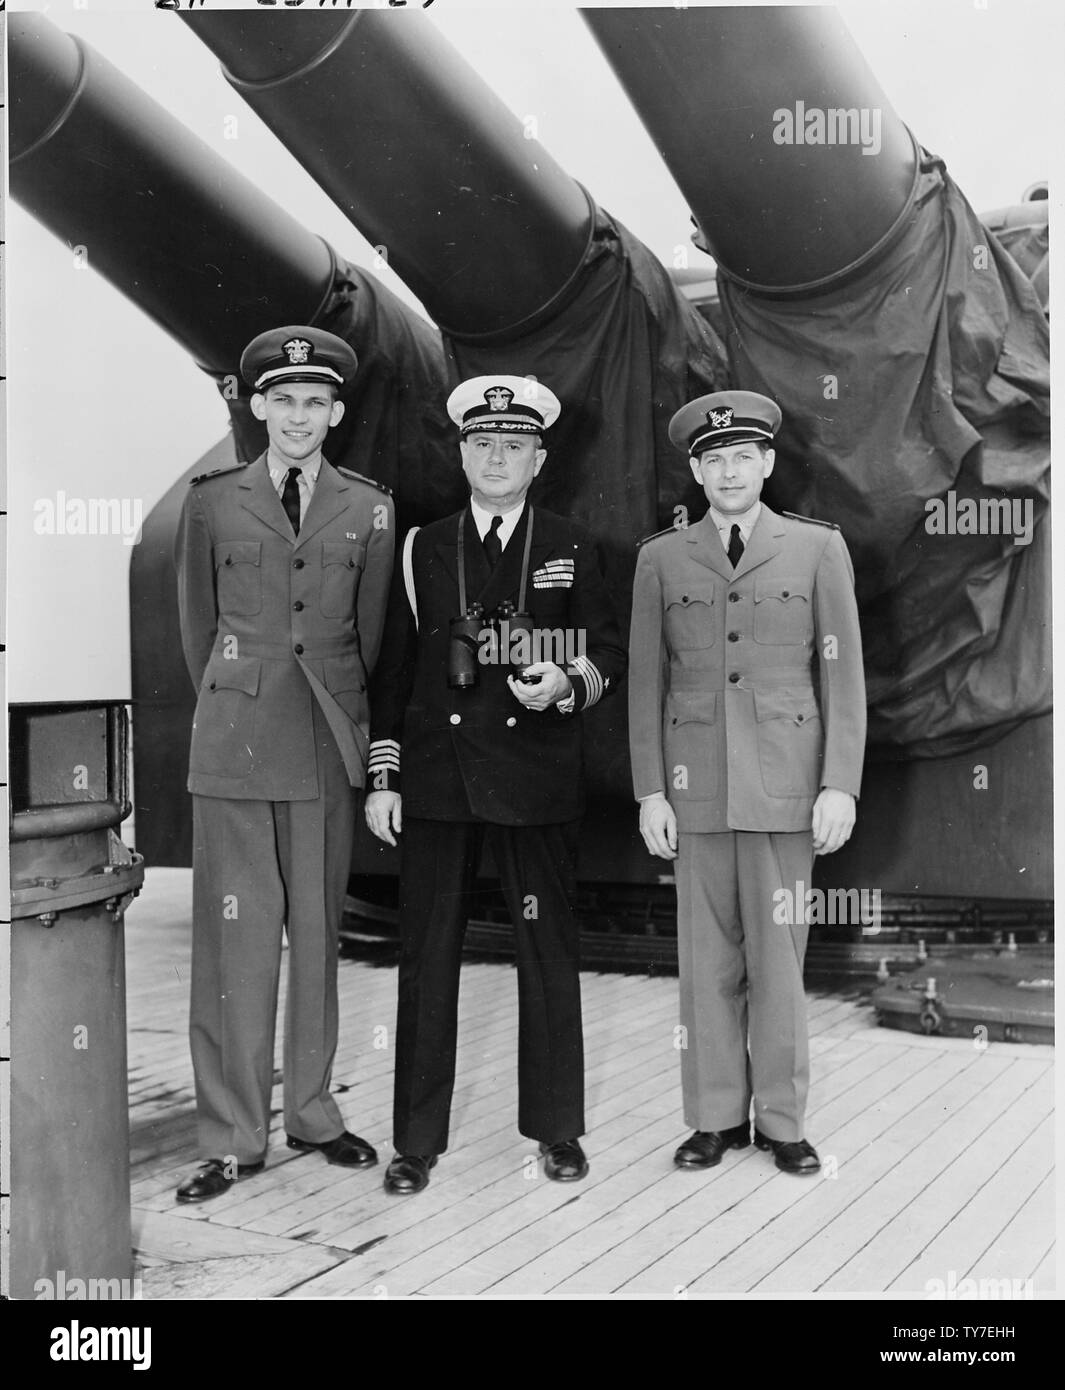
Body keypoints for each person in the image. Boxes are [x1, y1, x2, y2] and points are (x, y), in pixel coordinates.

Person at [364, 375, 626, 1195]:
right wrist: (386, 775)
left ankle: (556, 1132)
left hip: (535, 775)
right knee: (425, 958)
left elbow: (608, 655)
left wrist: (564, 681)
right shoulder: (421, 547)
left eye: (513, 445)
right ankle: (415, 1140)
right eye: (482, 444)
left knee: (546, 955)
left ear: (538, 457)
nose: (497, 457)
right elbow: (396, 669)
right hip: (440, 782)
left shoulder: (573, 545)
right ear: (463, 452)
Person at [173, 325, 395, 1202]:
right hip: (234, 745)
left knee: (317, 941)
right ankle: (231, 1135)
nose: (299, 417)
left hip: (324, 741)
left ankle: (311, 1113)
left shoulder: (370, 507)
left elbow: (369, 638)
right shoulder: (212, 501)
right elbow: (199, 631)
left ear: (335, 413)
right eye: (284, 400)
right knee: (233, 945)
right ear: (256, 405)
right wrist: (238, 699)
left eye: (317, 403)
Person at [628, 390, 865, 1176]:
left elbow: (842, 678)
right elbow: (643, 684)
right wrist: (649, 790)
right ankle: (714, 1120)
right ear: (696, 471)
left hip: (785, 790)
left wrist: (839, 784)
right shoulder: (659, 559)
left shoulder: (815, 549)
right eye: (713, 459)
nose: (728, 471)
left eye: (742, 456)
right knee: (705, 967)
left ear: (765, 463)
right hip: (695, 793)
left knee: (779, 966)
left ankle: (784, 1122)